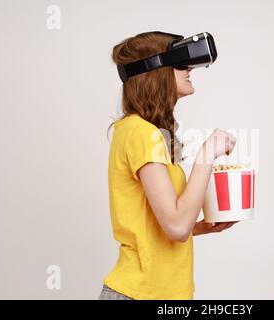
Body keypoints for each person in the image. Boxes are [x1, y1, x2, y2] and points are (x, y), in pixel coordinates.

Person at [99, 31, 237, 300]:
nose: (189, 70)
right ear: (156, 72)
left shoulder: (142, 131)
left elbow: (165, 225)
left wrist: (199, 226)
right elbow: (176, 227)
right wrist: (207, 154)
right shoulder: (141, 132)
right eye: (180, 63)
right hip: (140, 293)